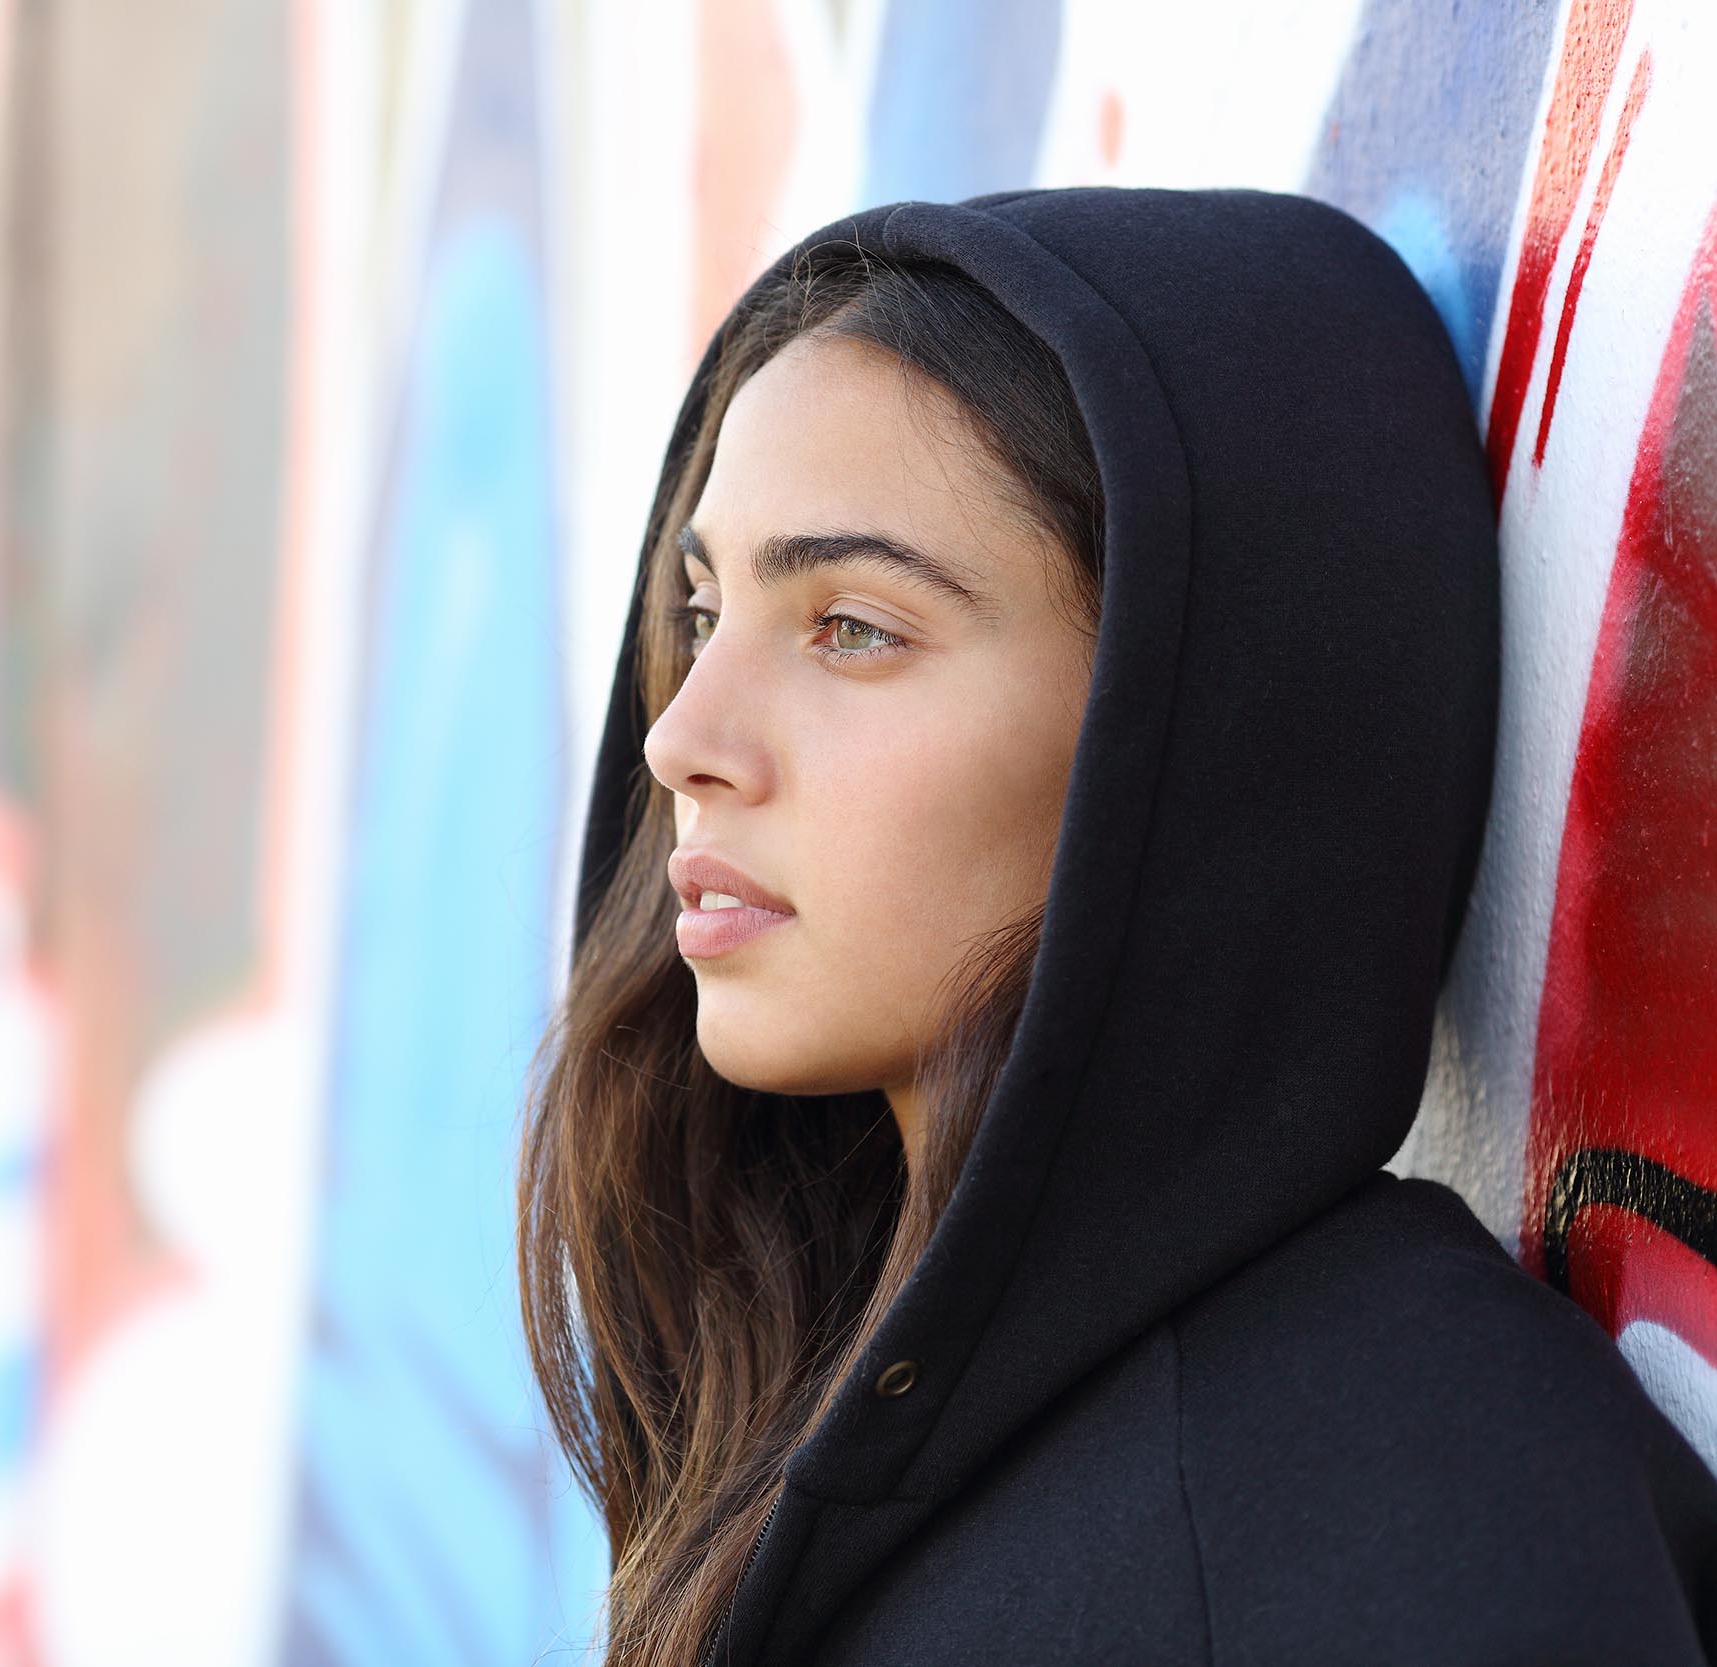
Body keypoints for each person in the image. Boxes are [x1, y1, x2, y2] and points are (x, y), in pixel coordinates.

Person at [515, 186, 1717, 1665]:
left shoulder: (1402, 1477)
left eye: (853, 628)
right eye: (702, 614)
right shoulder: (851, 1432)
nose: (683, 737)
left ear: (1190, 724)